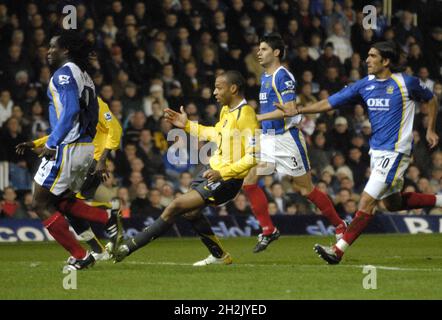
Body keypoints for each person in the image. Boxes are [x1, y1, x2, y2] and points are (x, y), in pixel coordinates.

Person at [277, 41, 441, 264]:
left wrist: (430, 129)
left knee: (366, 200)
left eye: (373, 56)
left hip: (396, 152)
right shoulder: (364, 85)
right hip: (377, 152)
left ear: (386, 61)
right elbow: (329, 102)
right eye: (368, 55)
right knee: (391, 204)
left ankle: (337, 251)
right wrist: (299, 109)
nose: (367, 60)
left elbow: (431, 99)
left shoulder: (406, 82)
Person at [113, 71, 259, 266]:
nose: (214, 92)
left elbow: (254, 155)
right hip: (211, 170)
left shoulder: (246, 115)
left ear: (233, 89)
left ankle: (127, 247)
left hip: (225, 179)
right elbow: (215, 133)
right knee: (191, 213)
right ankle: (220, 256)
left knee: (176, 205)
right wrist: (187, 125)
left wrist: (222, 173)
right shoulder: (226, 111)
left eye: (219, 87)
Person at [15, 31, 122, 270]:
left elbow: (71, 110)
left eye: (53, 47)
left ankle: (81, 255)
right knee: (62, 201)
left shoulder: (63, 74)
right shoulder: (85, 76)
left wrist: (52, 143)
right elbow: (88, 114)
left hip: (68, 147)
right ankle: (106, 219)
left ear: (65, 50)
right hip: (83, 147)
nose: (48, 51)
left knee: (39, 204)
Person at [243, 33, 347, 253]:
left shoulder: (283, 76)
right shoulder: (264, 76)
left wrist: (258, 118)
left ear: (276, 52)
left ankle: (340, 225)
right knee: (249, 182)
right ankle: (268, 229)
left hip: (287, 139)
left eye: (263, 49)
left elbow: (289, 110)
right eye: (258, 49)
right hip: (268, 139)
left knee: (305, 190)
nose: (258, 53)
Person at [19, 96, 123, 261]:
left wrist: (102, 159)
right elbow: (65, 133)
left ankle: (102, 229)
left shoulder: (95, 103)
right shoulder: (73, 102)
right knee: (63, 204)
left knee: (56, 204)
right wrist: (36, 143)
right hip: (77, 158)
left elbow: (115, 128)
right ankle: (102, 233)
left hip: (90, 162)